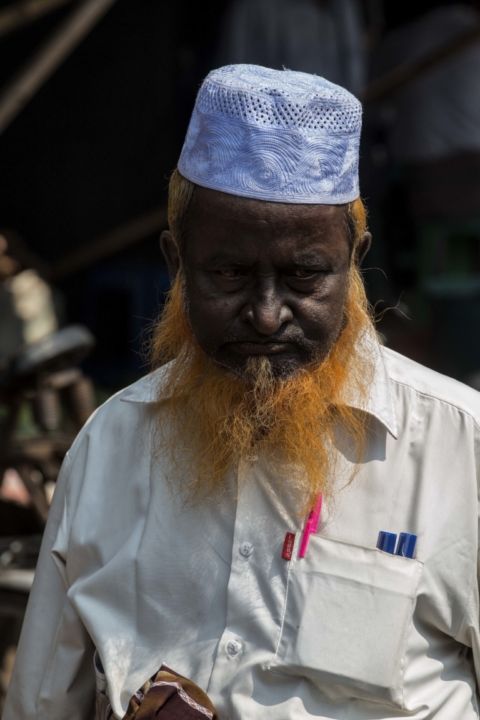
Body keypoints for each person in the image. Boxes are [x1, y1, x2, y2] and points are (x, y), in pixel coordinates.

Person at [3, 65, 480, 719]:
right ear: (177, 264)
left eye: (303, 275)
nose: (266, 314)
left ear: (353, 263)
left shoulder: (460, 447)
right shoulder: (110, 445)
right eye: (229, 272)